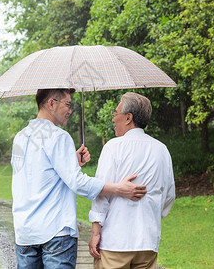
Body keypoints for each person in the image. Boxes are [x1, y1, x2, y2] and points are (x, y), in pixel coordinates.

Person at [11, 88, 148, 268]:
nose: (70, 110)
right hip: (55, 231)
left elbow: (36, 175)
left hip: (25, 232)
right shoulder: (59, 136)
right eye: (67, 104)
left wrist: (71, 162)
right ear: (51, 103)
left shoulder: (20, 137)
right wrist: (119, 189)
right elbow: (78, 182)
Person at [89, 92, 175, 269]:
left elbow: (100, 194)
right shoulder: (161, 150)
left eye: (115, 114)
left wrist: (96, 232)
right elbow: (169, 195)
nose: (113, 119)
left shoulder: (113, 147)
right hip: (148, 243)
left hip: (115, 241)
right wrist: (149, 216)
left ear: (128, 117)